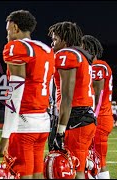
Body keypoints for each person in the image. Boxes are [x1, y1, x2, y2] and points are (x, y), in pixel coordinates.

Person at [0, 10, 55, 179]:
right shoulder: (45, 49)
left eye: (8, 31)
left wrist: (5, 136)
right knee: (37, 174)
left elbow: (15, 93)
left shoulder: (16, 47)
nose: (7, 36)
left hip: (24, 122)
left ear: (14, 27)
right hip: (43, 121)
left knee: (21, 174)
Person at [48, 21, 97, 179]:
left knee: (73, 171)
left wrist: (60, 130)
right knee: (78, 168)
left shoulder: (67, 54)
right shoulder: (81, 55)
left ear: (64, 39)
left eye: (55, 39)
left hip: (75, 118)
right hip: (84, 117)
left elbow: (67, 97)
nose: (52, 43)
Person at [82, 35, 113, 179]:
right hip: (100, 116)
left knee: (99, 161)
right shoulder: (94, 66)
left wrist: (92, 116)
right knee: (92, 160)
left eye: (83, 48)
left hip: (99, 117)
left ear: (90, 50)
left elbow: (98, 95)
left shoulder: (98, 65)